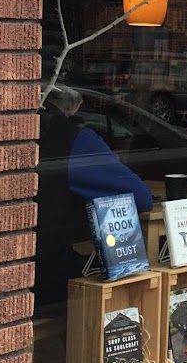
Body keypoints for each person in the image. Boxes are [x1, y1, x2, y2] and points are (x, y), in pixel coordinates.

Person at [35, 85, 155, 304]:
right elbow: (141, 198)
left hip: (6, 274)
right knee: (127, 278)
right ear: (75, 105)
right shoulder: (73, 139)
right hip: (46, 276)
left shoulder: (8, 126)